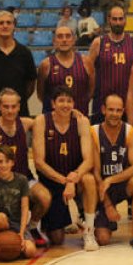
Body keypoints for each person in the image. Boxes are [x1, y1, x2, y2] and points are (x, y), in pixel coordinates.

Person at [0, 88, 51, 247]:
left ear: (19, 107)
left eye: (13, 106)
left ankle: (32, 228)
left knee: (45, 197)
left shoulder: (27, 123)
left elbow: (51, 120)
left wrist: (74, 113)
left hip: (23, 178)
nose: (10, 110)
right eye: (6, 106)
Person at [34, 87, 98, 248]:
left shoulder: (81, 121)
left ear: (74, 104)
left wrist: (72, 179)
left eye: (69, 101)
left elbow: (88, 160)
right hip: (52, 179)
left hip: (75, 177)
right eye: (61, 100)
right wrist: (64, 180)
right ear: (53, 103)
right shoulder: (42, 121)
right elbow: (39, 162)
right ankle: (54, 221)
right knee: (57, 239)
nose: (65, 104)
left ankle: (88, 230)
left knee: (89, 179)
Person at [91, 94, 133, 248]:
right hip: (101, 189)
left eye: (118, 110)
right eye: (111, 110)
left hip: (119, 184)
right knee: (102, 239)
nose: (115, 114)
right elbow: (96, 173)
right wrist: (108, 205)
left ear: (123, 111)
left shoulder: (129, 131)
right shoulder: (94, 132)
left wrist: (111, 179)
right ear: (103, 110)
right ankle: (91, 221)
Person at [86, 5, 133, 123]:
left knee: (126, 139)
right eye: (115, 19)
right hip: (101, 104)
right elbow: (88, 71)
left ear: (125, 20)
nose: (118, 22)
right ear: (109, 20)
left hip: (127, 105)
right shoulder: (98, 43)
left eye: (120, 19)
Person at [0, 146, 38, 259]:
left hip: (16, 223)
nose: (4, 165)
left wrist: (21, 233)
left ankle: (11, 246)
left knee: (30, 251)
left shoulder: (21, 180)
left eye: (7, 161)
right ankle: (1, 240)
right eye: (0, 161)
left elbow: (25, 208)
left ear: (12, 163)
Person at [38, 26, 93, 116]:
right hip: (52, 121)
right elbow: (41, 95)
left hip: (80, 119)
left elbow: (90, 92)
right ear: (54, 41)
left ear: (74, 40)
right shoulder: (46, 65)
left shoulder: (86, 62)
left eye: (68, 36)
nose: (64, 40)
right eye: (60, 36)